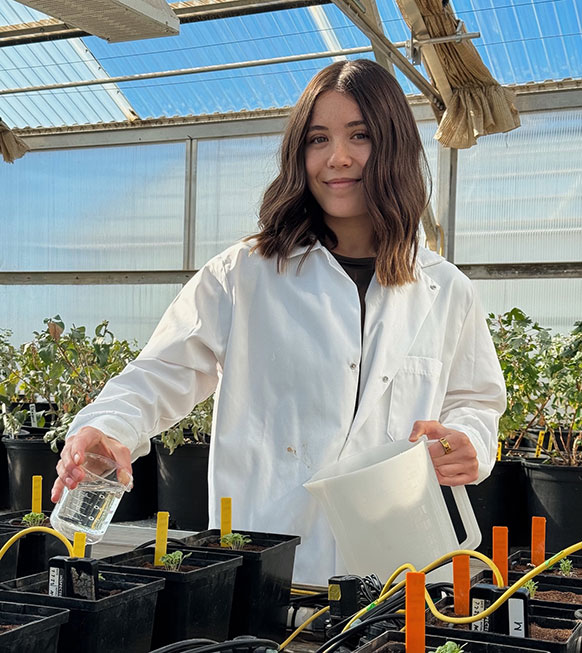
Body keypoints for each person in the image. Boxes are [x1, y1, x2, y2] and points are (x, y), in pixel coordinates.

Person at [52, 58, 506, 585]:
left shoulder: (446, 289)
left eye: (359, 135)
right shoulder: (244, 274)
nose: (337, 157)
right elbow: (162, 371)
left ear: (394, 145)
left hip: (401, 564)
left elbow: (476, 400)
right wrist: (108, 427)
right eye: (318, 139)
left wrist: (471, 439)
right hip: (273, 563)